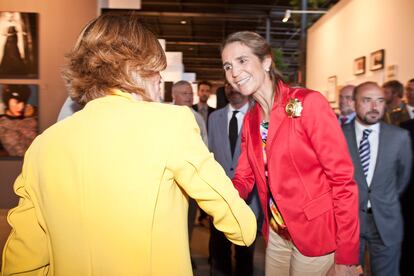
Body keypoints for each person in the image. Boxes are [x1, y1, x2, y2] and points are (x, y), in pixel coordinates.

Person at [1, 13, 257, 276]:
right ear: (138, 71)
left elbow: (22, 262)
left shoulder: (43, 147)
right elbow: (241, 226)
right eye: (158, 73)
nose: (160, 83)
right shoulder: (170, 125)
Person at [221, 31, 359, 275]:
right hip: (276, 233)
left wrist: (347, 255)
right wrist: (214, 195)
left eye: (242, 60)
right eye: (227, 66)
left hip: (315, 234)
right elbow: (244, 178)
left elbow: (343, 181)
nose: (234, 72)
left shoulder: (308, 103)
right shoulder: (251, 121)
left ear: (266, 61)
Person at [342, 82, 412, 276]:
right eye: (367, 100)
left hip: (386, 221)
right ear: (354, 103)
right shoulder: (338, 136)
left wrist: (383, 197)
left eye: (380, 101)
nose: (374, 107)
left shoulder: (399, 137)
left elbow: (403, 177)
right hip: (348, 222)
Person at [208, 83, 261, 276]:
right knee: (219, 254)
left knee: (245, 256)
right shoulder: (214, 118)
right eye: (228, 85)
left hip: (250, 201)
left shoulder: (260, 117)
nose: (232, 89)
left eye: (236, 85)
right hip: (220, 200)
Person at [0, 84, 37, 156]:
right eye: (17, 102)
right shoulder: (2, 125)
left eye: (24, 102)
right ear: (7, 100)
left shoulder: (32, 118)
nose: (21, 106)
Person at [172, 80, 208, 146]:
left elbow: (204, 143)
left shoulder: (198, 118)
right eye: (184, 93)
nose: (189, 97)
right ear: (174, 95)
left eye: (191, 93)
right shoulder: (167, 115)